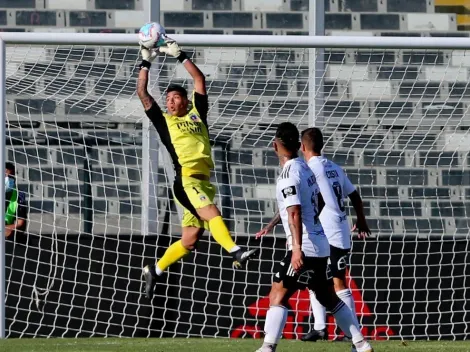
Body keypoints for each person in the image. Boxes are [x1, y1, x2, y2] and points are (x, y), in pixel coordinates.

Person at [136, 38, 258, 300]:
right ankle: (235, 251)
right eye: (167, 99)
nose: (169, 102)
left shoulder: (196, 115)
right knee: (212, 212)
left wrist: (180, 55)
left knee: (190, 240)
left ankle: (154, 271)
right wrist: (146, 62)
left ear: (186, 102)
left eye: (175, 97)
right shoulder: (164, 121)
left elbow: (199, 80)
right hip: (186, 181)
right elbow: (143, 95)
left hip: (203, 182)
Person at [255, 122, 373, 352]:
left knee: (277, 294)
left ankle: (267, 347)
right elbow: (318, 201)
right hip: (321, 243)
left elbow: (294, 211)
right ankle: (361, 343)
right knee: (327, 296)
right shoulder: (306, 168)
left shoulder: (288, 174)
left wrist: (297, 247)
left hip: (304, 245)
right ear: (298, 145)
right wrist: (314, 226)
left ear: (274, 146)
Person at [299, 127, 371, 342]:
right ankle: (320, 327)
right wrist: (361, 219)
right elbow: (355, 196)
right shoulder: (335, 167)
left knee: (338, 282)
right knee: (315, 277)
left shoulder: (309, 169)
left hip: (328, 232)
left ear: (303, 147)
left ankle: (352, 333)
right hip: (337, 230)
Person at [5, 162, 27, 238]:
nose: (7, 178)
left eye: (10, 176)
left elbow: (20, 223)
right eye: (4, 176)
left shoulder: (18, 195)